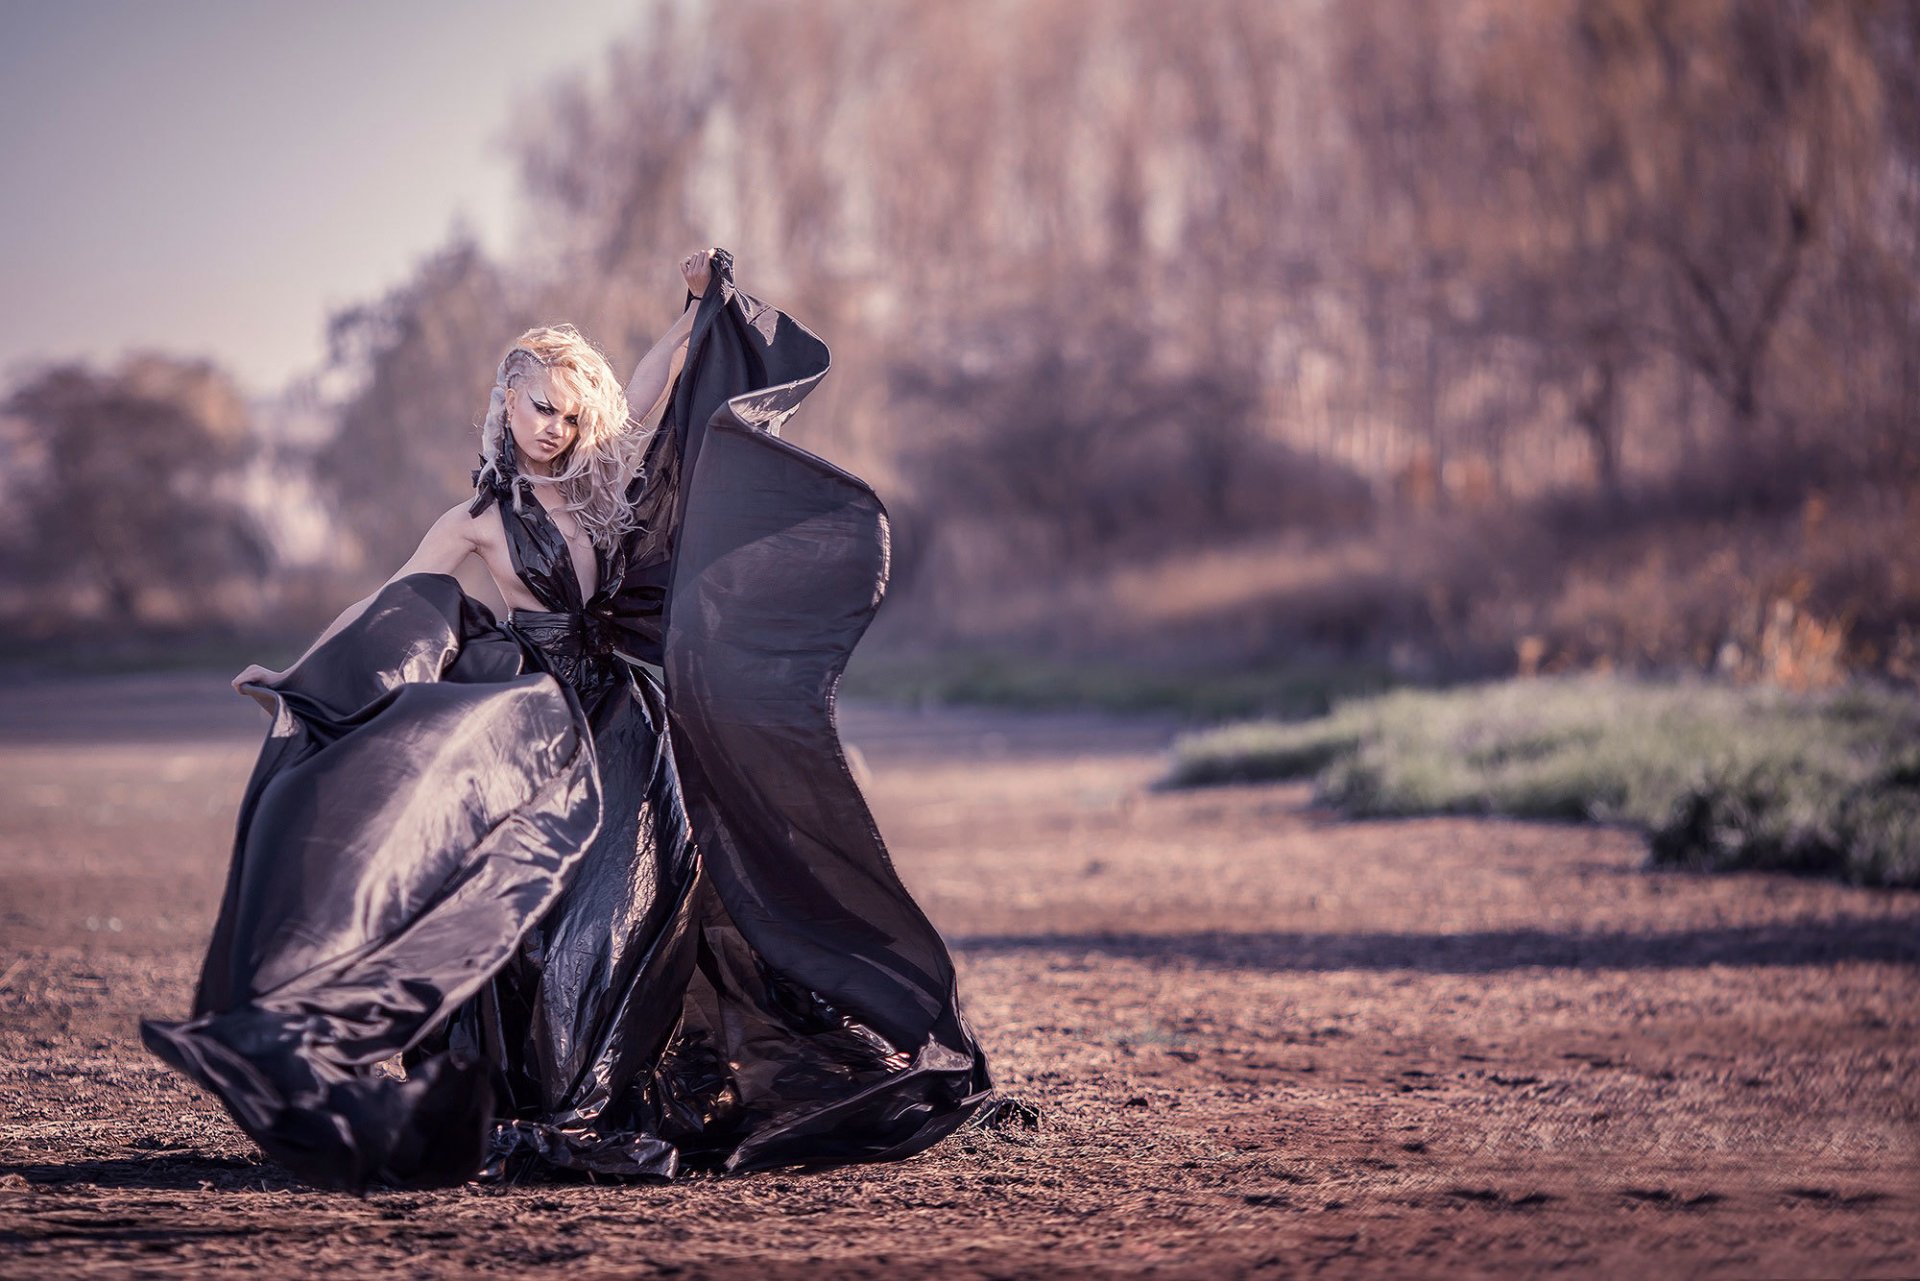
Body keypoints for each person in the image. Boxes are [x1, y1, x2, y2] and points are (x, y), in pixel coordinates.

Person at [140, 246, 993, 1190]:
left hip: (628, 724)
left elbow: (656, 377)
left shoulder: (609, 482)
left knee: (624, 912)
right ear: (505, 399)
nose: (555, 425)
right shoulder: (471, 520)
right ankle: (524, 1094)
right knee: (519, 908)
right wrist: (303, 675)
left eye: (570, 410)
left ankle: (598, 1089)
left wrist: (700, 301)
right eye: (540, 405)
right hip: (532, 730)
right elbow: (392, 605)